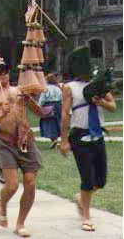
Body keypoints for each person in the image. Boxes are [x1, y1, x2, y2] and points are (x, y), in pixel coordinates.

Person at [0, 57, 43, 237]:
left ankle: (20, 223)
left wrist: (30, 99)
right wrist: (0, 115)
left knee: (30, 183)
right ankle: (2, 202)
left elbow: (39, 112)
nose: (3, 75)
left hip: (25, 139)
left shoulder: (20, 91)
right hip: (5, 142)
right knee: (13, 185)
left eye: (5, 72)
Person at [60, 47, 116, 232]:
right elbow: (65, 115)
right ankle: (87, 216)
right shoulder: (70, 88)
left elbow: (113, 106)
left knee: (101, 181)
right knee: (87, 179)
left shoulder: (98, 84)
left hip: (97, 134)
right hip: (79, 135)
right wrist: (64, 140)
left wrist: (99, 101)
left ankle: (80, 199)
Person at [38, 73, 62, 149]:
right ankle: (58, 139)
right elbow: (62, 98)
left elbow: (42, 99)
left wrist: (39, 106)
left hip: (48, 107)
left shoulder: (46, 89)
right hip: (58, 106)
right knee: (58, 122)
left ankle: (54, 139)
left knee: (49, 124)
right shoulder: (58, 88)